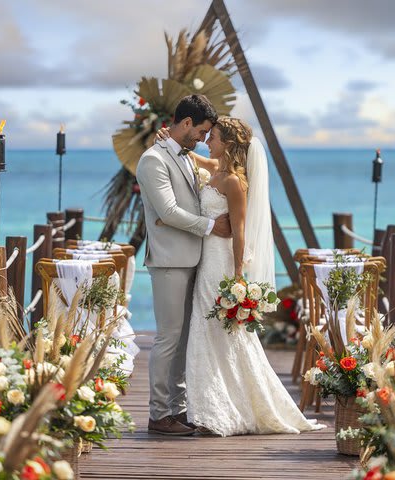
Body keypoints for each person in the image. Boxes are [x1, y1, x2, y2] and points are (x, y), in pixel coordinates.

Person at [158, 117, 324, 436]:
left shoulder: (234, 181)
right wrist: (169, 140)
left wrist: (237, 276)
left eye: (215, 137)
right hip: (205, 259)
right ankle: (212, 406)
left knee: (216, 332)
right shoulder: (217, 170)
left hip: (220, 263)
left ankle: (216, 412)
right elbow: (197, 156)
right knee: (208, 332)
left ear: (229, 145)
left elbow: (240, 232)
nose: (209, 141)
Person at [135, 94, 232, 436]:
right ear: (187, 123)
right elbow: (168, 212)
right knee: (168, 338)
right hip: (169, 262)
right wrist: (210, 226)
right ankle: (158, 413)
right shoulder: (153, 160)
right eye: (202, 131)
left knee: (184, 338)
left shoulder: (185, 156)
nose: (205, 138)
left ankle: (176, 409)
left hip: (195, 259)